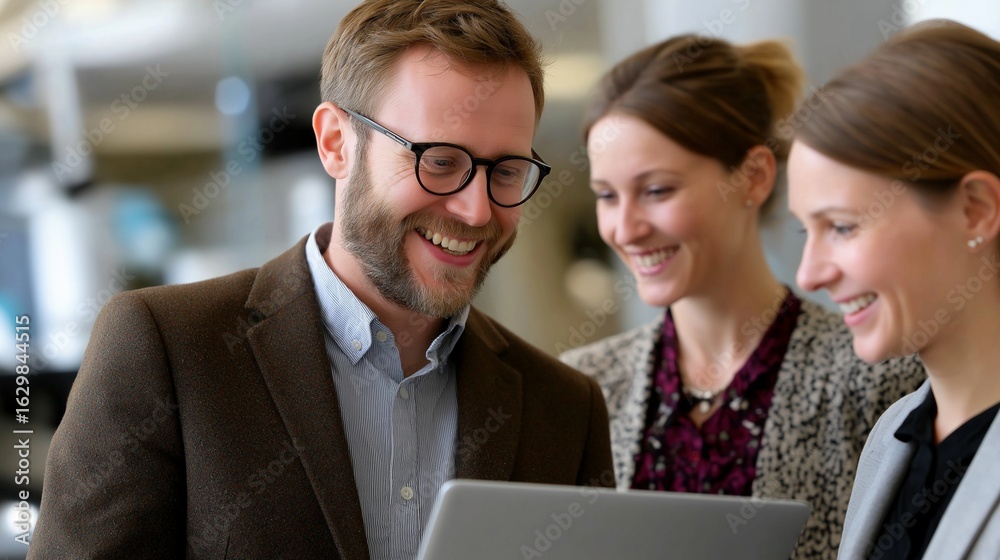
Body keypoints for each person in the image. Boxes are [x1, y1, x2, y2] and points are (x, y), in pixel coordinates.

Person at [28, 1, 614, 558]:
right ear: (336, 142)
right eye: (440, 162)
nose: (476, 211)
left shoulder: (565, 409)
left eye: (506, 171)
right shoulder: (168, 348)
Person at [559, 34, 926, 560]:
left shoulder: (879, 380)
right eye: (606, 196)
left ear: (753, 177)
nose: (624, 228)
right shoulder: (581, 389)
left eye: (657, 190)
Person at [788, 20, 1000, 560]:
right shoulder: (894, 437)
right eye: (803, 231)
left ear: (975, 209)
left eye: (841, 226)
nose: (808, 275)